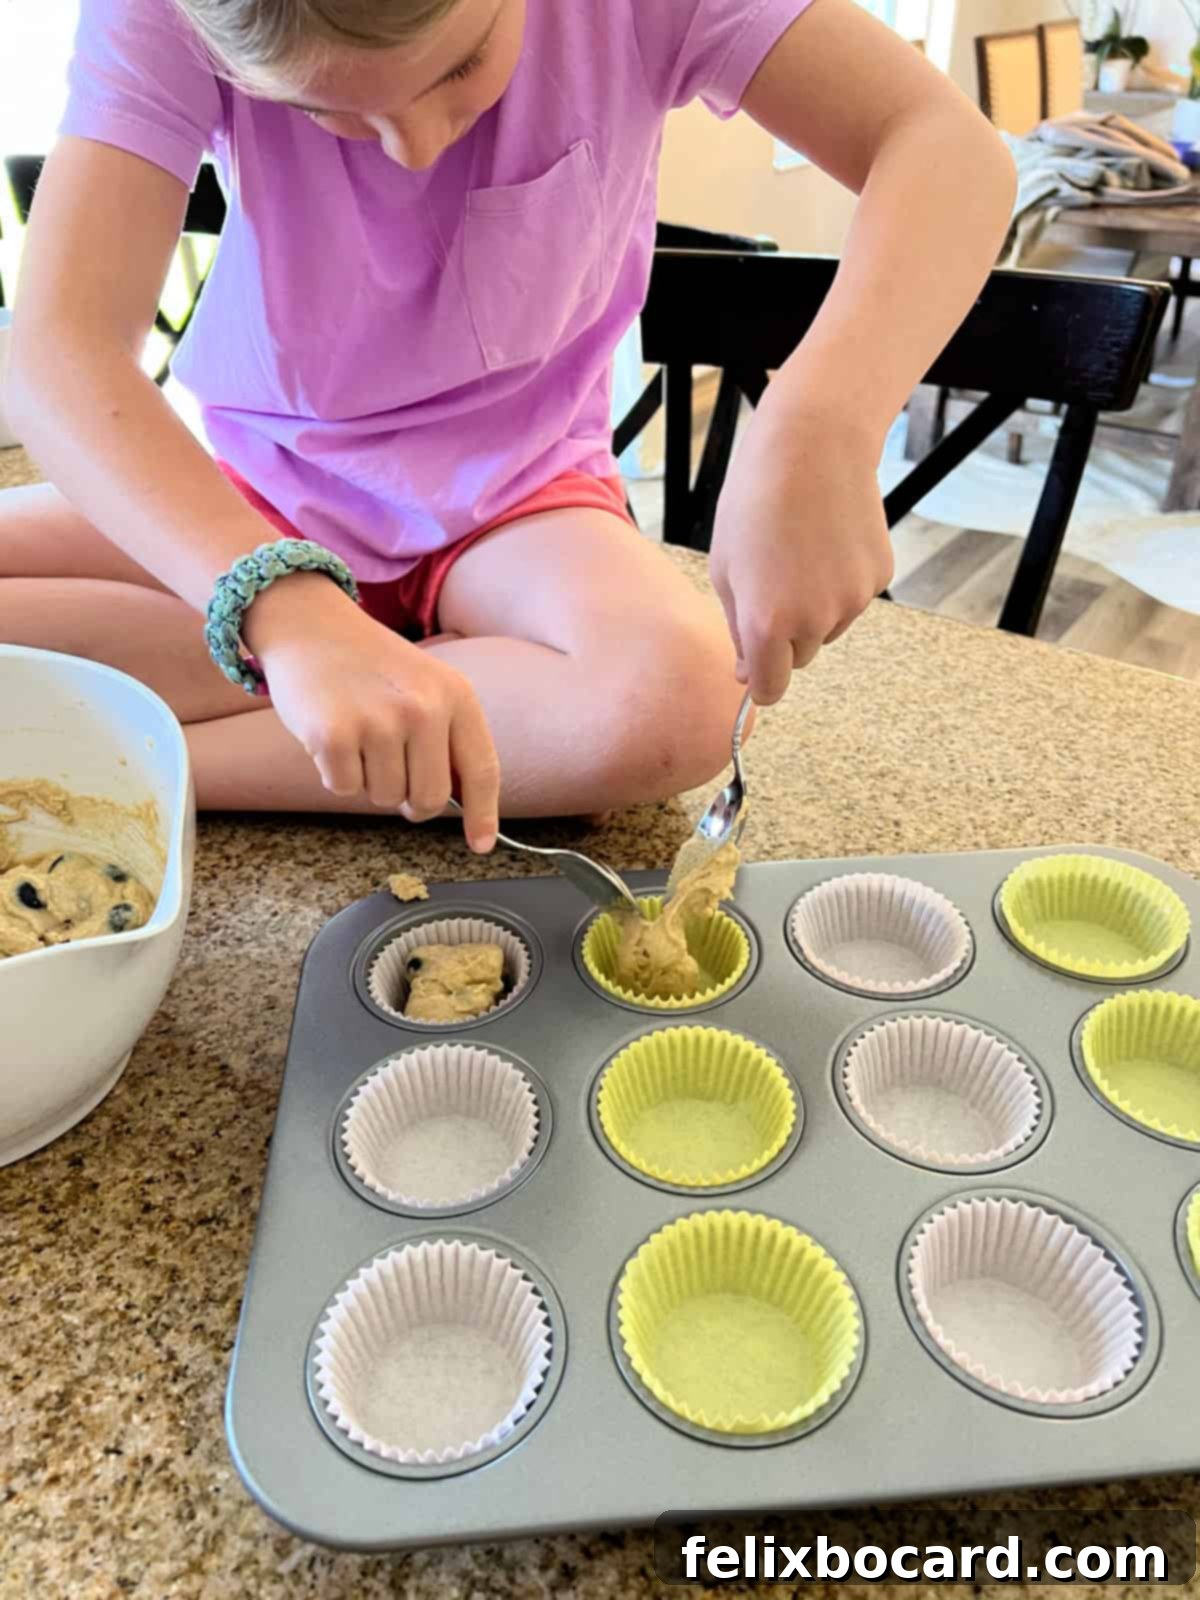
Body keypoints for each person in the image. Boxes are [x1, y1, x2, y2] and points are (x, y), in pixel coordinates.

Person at [0, 0, 1015, 855]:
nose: (417, 145)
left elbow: (944, 145)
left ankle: (152, 765)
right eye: (327, 111)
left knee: (673, 701)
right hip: (257, 490)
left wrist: (822, 419)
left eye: (461, 66)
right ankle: (382, 683)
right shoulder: (161, 9)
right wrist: (287, 609)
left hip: (517, 502)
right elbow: (60, 349)